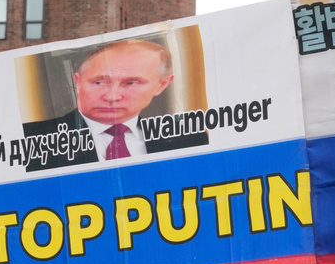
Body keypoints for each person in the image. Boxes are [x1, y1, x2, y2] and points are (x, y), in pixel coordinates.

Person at [23, 39, 209, 171]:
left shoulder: (190, 141)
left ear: (161, 85)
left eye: (131, 83)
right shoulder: (28, 141)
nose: (112, 96)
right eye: (100, 82)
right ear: (78, 82)